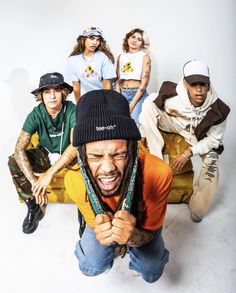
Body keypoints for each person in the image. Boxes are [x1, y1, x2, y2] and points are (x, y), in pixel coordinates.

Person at [64, 89, 173, 283]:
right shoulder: (74, 179)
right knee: (90, 266)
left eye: (118, 154)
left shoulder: (158, 173)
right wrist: (103, 231)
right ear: (81, 156)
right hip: (102, 219)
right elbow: (95, 222)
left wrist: (132, 236)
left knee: (151, 271)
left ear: (131, 149)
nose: (107, 168)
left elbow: (148, 234)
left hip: (141, 225)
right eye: (95, 156)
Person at [139, 60, 230, 222]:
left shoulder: (219, 110)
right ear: (186, 84)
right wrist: (145, 131)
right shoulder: (172, 94)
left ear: (209, 85)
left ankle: (197, 207)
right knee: (148, 107)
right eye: (194, 84)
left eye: (203, 84)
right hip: (173, 124)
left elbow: (214, 140)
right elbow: (150, 104)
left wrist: (189, 152)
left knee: (213, 162)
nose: (200, 89)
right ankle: (157, 160)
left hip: (197, 136)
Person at [8, 72, 78, 234]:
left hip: (70, 156)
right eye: (47, 91)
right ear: (41, 95)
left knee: (87, 155)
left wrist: (49, 175)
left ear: (64, 93)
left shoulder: (73, 110)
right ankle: (34, 207)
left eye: (57, 90)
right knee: (13, 160)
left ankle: (84, 211)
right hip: (46, 154)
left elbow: (75, 145)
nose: (52, 96)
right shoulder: (36, 114)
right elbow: (19, 149)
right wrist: (35, 184)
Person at [66, 27, 116, 102]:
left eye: (98, 39)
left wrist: (106, 103)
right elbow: (76, 87)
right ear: (84, 39)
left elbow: (107, 84)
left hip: (107, 96)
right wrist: (79, 104)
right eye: (92, 38)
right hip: (90, 98)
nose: (95, 42)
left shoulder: (103, 57)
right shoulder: (72, 60)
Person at [116, 28, 151, 126]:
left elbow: (145, 82)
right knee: (121, 123)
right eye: (133, 37)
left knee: (135, 124)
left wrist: (132, 104)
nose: (135, 40)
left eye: (139, 39)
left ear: (142, 44)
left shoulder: (144, 56)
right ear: (128, 38)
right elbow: (118, 79)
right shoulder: (121, 56)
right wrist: (119, 97)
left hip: (137, 94)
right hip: (122, 93)